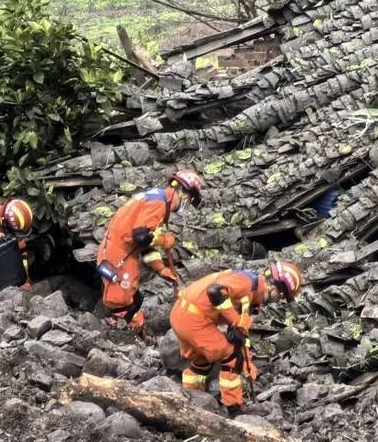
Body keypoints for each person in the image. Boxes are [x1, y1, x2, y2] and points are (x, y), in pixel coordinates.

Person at [172, 261, 303, 414]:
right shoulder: (245, 283)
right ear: (273, 287)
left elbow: (240, 333)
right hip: (193, 319)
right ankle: (234, 409)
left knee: (203, 360)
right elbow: (215, 291)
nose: (278, 300)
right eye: (280, 296)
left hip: (182, 315)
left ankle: (191, 397)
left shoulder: (252, 294)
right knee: (231, 357)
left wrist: (248, 363)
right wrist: (235, 320)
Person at [96, 170, 203, 336]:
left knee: (136, 299)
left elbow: (145, 245)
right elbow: (141, 237)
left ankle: (128, 333)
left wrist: (160, 268)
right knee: (121, 301)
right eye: (189, 200)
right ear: (181, 192)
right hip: (117, 255)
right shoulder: (158, 203)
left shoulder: (158, 199)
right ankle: (121, 337)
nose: (186, 205)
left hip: (123, 252)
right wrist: (163, 240)